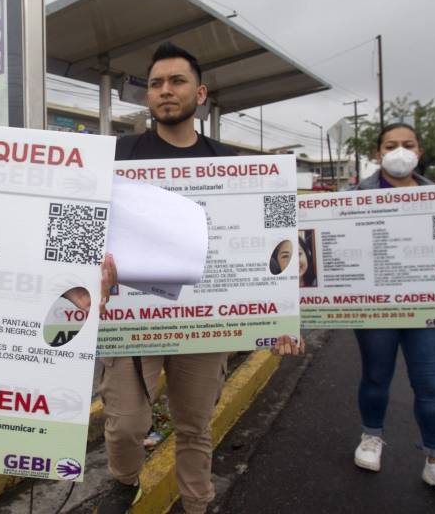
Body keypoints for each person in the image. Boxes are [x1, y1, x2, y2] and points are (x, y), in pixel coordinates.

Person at [98, 42, 303, 514]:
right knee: (126, 423)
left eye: (176, 82)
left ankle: (198, 503)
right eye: (155, 84)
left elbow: (267, 242)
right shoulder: (117, 154)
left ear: (201, 93)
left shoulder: (228, 163)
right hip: (131, 317)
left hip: (203, 319)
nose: (165, 91)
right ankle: (124, 482)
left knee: (195, 424)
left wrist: (284, 300)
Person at [350, 122, 435, 503]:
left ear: (419, 152)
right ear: (377, 154)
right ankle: (371, 435)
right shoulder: (354, 196)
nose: (399, 151)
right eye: (391, 145)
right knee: (375, 376)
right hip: (375, 309)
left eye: (408, 144)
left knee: (432, 386)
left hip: (426, 307)